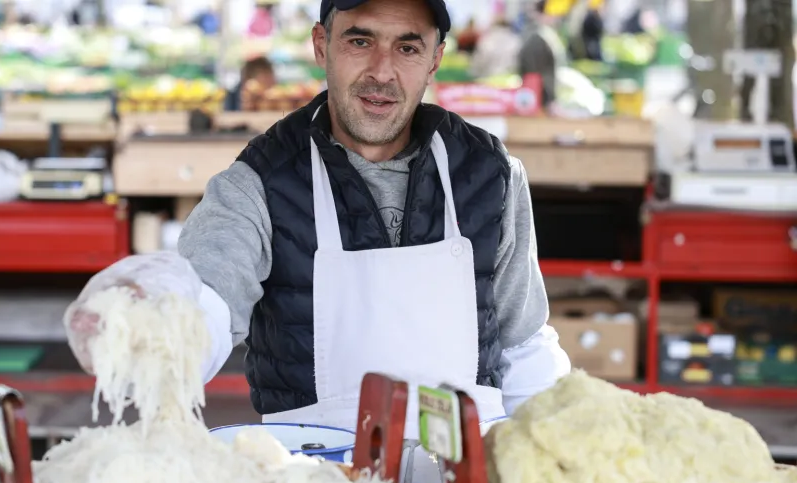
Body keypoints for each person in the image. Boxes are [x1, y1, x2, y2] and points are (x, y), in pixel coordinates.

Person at [66, 0, 571, 440]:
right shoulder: (260, 181)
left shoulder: (491, 174)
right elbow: (210, 305)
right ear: (321, 44)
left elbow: (523, 342)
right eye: (360, 40)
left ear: (436, 57)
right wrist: (156, 321)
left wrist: (556, 456)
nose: (382, 70)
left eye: (408, 48)